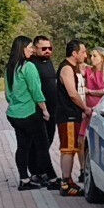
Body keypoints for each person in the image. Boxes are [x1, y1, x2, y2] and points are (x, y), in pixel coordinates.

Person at [3, 36, 52, 190]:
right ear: (22, 48)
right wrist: (44, 110)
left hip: (14, 114)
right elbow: (36, 91)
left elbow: (8, 94)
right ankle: (52, 178)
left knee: (22, 146)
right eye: (30, 47)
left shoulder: (10, 67)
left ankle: (24, 179)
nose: (32, 49)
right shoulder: (28, 66)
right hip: (30, 113)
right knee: (42, 146)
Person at [54, 40, 90, 196]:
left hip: (72, 114)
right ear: (74, 53)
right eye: (83, 52)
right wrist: (85, 108)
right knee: (68, 150)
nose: (85, 55)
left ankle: (68, 181)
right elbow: (72, 93)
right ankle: (66, 183)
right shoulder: (66, 69)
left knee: (71, 148)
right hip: (67, 114)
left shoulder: (73, 68)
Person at [29, 35, 64, 188]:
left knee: (48, 141)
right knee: (38, 143)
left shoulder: (48, 63)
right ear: (35, 49)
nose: (48, 51)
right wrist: (41, 108)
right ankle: (38, 173)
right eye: (44, 49)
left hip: (53, 110)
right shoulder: (31, 65)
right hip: (39, 110)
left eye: (50, 48)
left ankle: (41, 171)